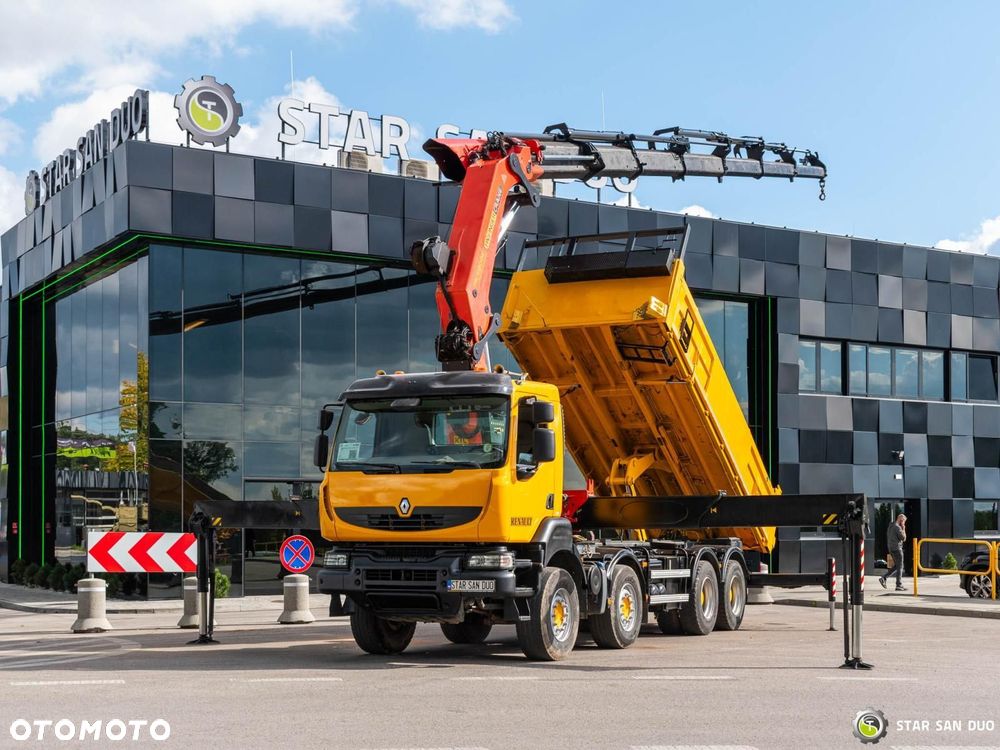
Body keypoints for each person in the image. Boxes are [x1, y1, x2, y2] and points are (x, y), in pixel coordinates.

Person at [880, 513, 907, 591]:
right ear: (901, 520)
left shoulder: (890, 526)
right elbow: (904, 538)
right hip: (897, 549)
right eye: (904, 521)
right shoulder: (897, 527)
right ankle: (899, 585)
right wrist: (903, 528)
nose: (904, 523)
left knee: (897, 566)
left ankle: (884, 578)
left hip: (891, 548)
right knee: (900, 567)